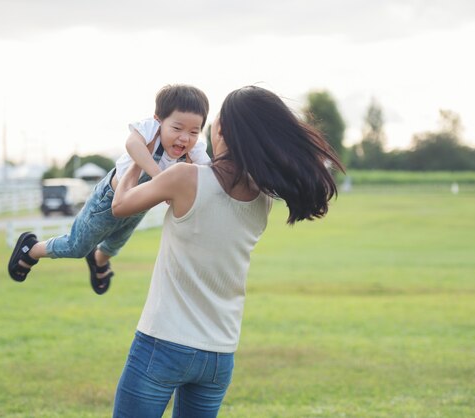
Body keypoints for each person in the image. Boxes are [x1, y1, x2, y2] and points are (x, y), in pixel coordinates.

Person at [109, 85, 344, 417]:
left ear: (221, 131)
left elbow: (120, 205)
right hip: (219, 355)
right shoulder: (263, 198)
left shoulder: (184, 178)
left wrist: (140, 155)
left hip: (162, 343)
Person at [7, 85, 211, 294]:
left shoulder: (194, 148)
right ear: (159, 120)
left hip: (138, 205)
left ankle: (98, 261)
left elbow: (209, 172)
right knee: (76, 246)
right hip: (108, 199)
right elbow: (132, 144)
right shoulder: (152, 130)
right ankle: (30, 249)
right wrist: (160, 177)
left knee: (114, 244)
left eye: (194, 131)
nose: (185, 138)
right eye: (177, 129)